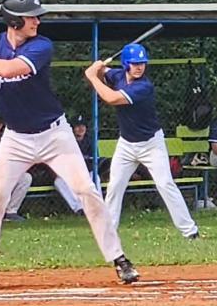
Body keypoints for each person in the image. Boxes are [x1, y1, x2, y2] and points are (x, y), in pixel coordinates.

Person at [0, 0, 139, 290]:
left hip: (54, 133)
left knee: (86, 189)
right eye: (31, 17)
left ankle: (119, 259)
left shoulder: (41, 46)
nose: (37, 22)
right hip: (16, 138)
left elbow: (7, 70)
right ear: (15, 21)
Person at [84, 43, 199, 239]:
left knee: (165, 184)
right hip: (127, 143)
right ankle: (108, 233)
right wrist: (99, 69)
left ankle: (190, 231)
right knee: (115, 186)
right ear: (126, 64)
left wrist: (92, 77)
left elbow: (111, 98)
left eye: (142, 63)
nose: (139, 67)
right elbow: (106, 73)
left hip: (151, 144)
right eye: (134, 64)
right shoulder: (119, 75)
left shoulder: (144, 86)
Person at [52, 114, 93, 216]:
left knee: (95, 176)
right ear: (72, 128)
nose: (81, 128)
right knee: (59, 181)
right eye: (78, 126)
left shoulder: (90, 141)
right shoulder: (67, 141)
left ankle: (96, 206)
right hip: (69, 172)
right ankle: (79, 208)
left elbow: (94, 160)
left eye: (83, 126)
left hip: (85, 171)